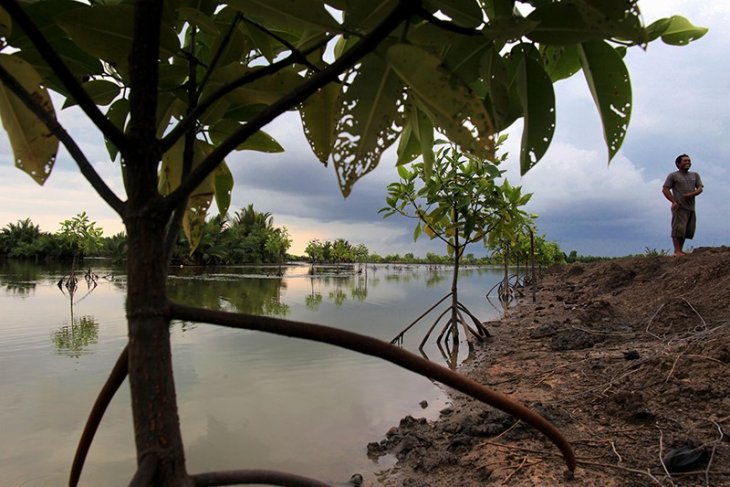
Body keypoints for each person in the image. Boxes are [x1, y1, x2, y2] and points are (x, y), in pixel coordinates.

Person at [662, 154, 703, 256]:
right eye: (684, 161)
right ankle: (677, 251)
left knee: (686, 230)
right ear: (678, 163)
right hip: (679, 206)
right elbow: (665, 189)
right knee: (678, 228)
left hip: (691, 207)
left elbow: (700, 188)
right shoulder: (673, 175)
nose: (687, 162)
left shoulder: (695, 175)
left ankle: (680, 250)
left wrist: (691, 194)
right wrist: (673, 201)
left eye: (689, 161)